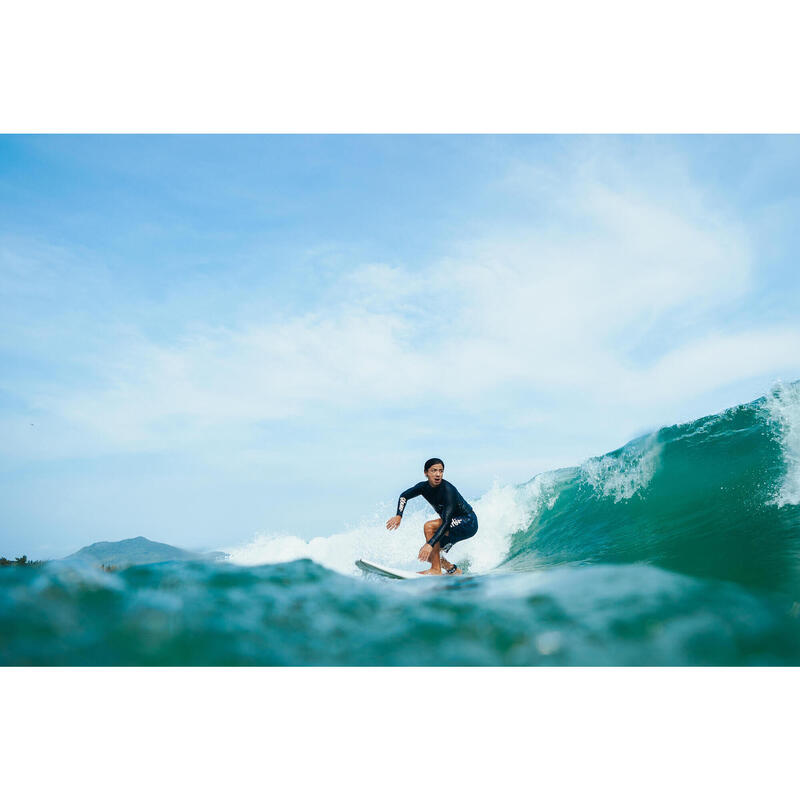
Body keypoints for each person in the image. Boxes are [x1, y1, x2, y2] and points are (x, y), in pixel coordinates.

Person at [385, 458, 478, 575]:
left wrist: (429, 544)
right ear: (426, 473)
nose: (438, 474)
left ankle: (435, 570)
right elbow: (404, 496)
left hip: (468, 522)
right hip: (453, 525)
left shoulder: (448, 490)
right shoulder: (423, 487)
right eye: (434, 470)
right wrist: (399, 516)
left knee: (429, 527)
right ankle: (453, 570)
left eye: (441, 471)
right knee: (429, 555)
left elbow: (447, 521)